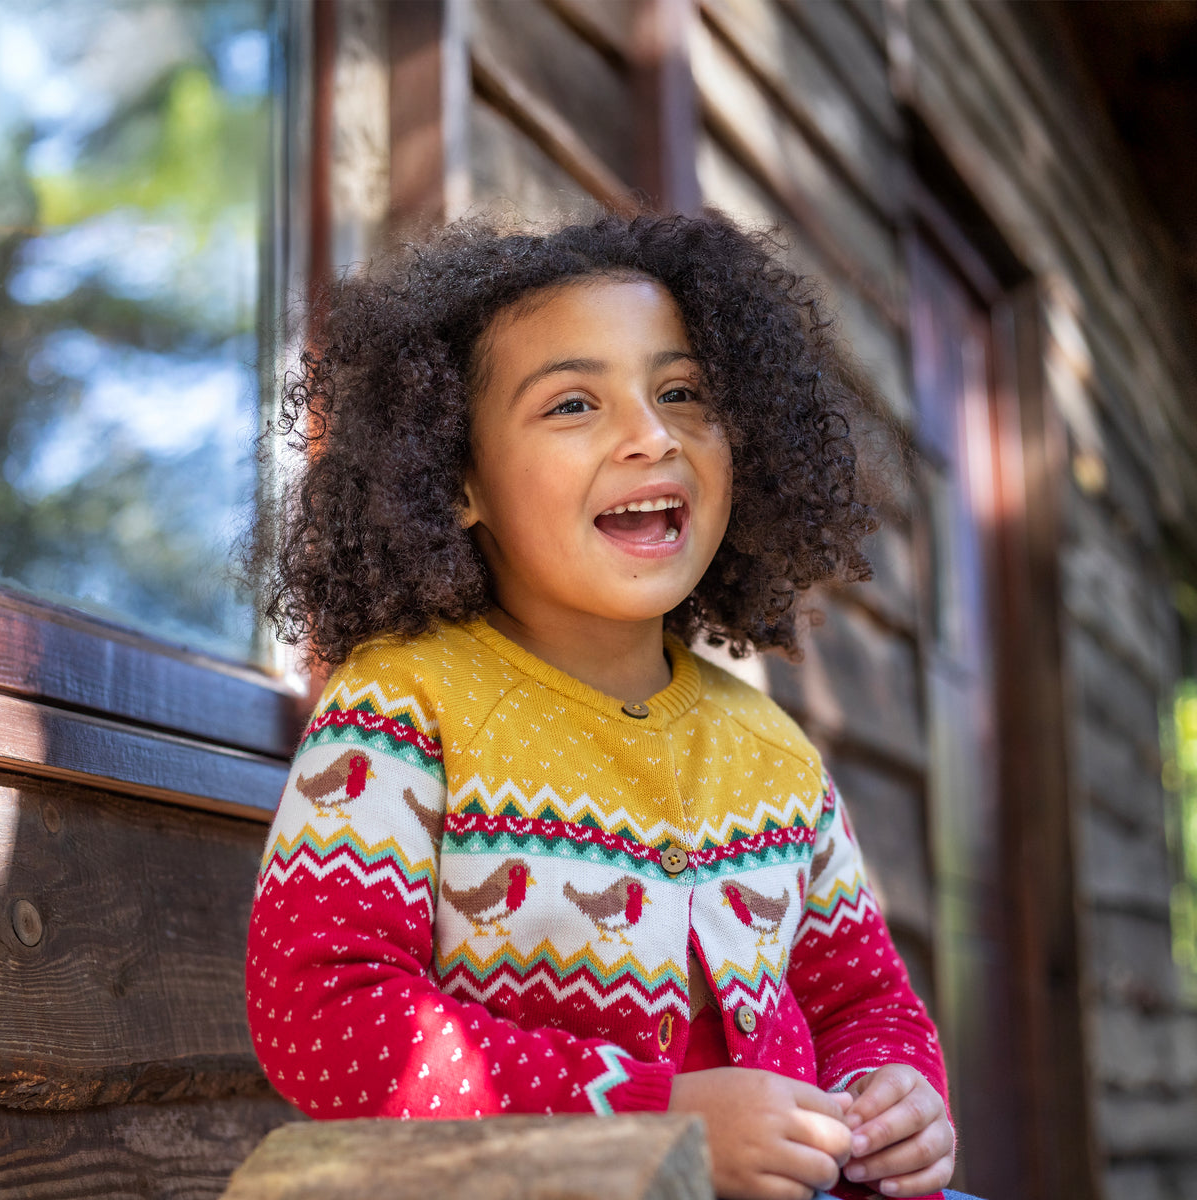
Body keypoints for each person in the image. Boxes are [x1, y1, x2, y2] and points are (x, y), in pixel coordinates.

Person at [245, 210, 971, 1200]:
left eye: (681, 392)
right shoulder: (404, 708)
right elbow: (322, 1015)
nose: (651, 434)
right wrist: (649, 1112)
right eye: (574, 404)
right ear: (458, 480)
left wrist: (894, 1096)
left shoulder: (773, 753)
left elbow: (860, 996)